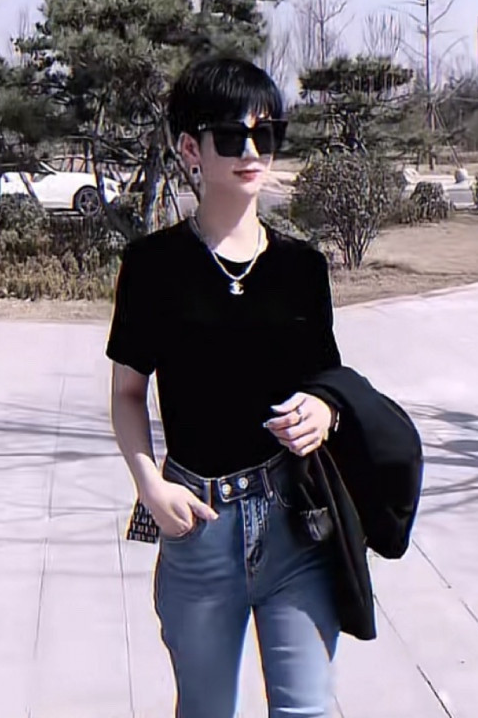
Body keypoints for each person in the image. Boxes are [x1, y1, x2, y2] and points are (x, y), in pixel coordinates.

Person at [107, 56, 343, 718]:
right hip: (197, 524)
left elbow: (329, 379)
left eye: (265, 135)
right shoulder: (153, 267)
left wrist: (324, 409)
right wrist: (149, 485)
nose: (252, 152)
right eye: (233, 136)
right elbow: (127, 394)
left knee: (307, 709)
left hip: (295, 519)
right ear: (191, 149)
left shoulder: (302, 268)